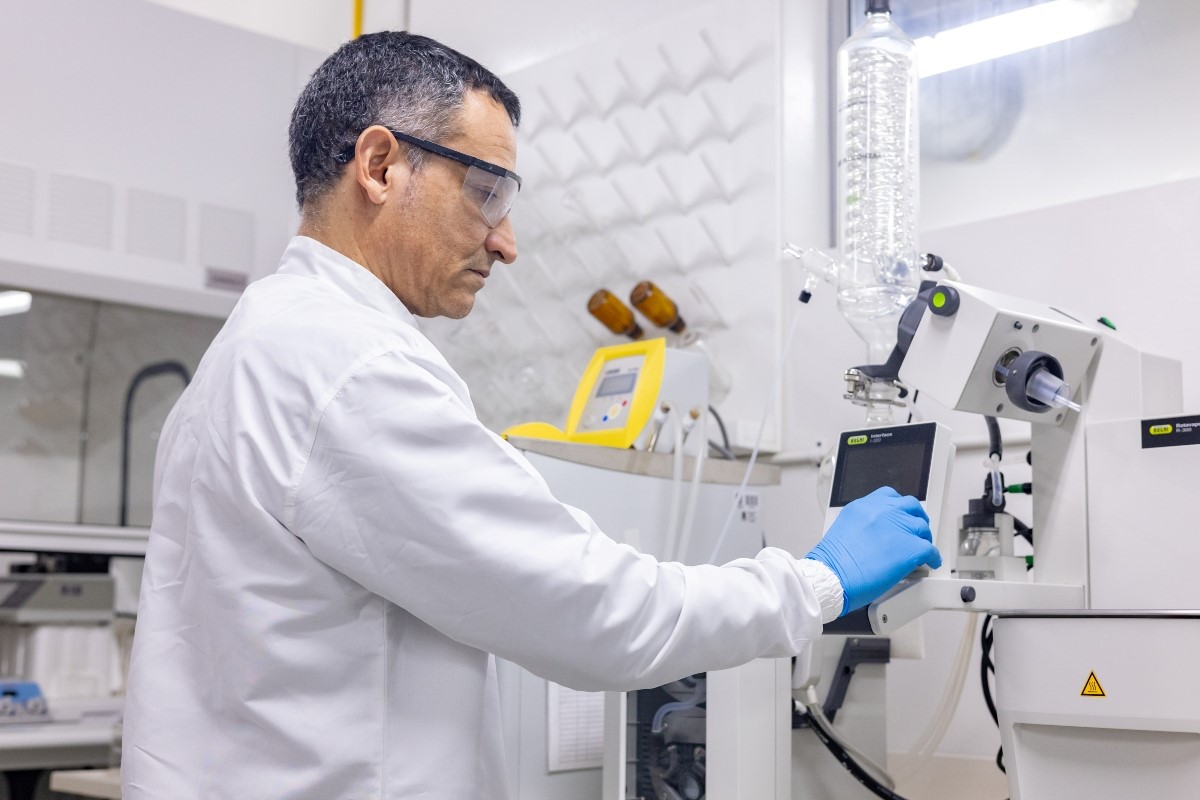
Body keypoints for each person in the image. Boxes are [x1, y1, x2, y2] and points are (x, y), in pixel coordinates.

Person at [121, 31, 940, 800]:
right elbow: (600, 615)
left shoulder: (254, 349)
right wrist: (819, 579)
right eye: (486, 191)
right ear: (379, 166)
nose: (505, 241)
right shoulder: (347, 365)